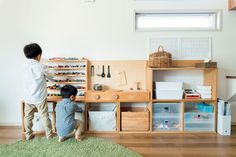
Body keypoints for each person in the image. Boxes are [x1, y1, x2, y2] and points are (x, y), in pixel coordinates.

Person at [22, 43, 54, 140]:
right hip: (40, 97)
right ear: (39, 55)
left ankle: (28, 135)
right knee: (44, 116)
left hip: (28, 97)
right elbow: (51, 77)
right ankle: (49, 135)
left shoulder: (23, 66)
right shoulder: (41, 66)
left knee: (28, 116)